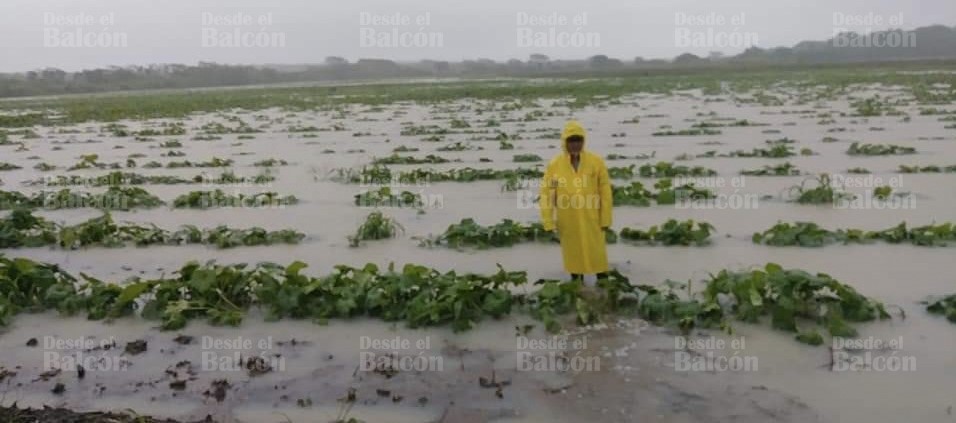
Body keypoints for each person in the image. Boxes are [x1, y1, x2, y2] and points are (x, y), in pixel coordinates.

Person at [539, 120, 612, 282]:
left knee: (599, 261)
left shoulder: (596, 162)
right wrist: (548, 222)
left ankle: (604, 295)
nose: (575, 144)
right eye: (571, 140)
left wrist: (605, 218)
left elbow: (605, 191)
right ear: (565, 142)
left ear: (583, 141)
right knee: (574, 263)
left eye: (578, 140)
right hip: (568, 221)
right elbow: (547, 194)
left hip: (592, 219)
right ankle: (578, 294)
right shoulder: (555, 165)